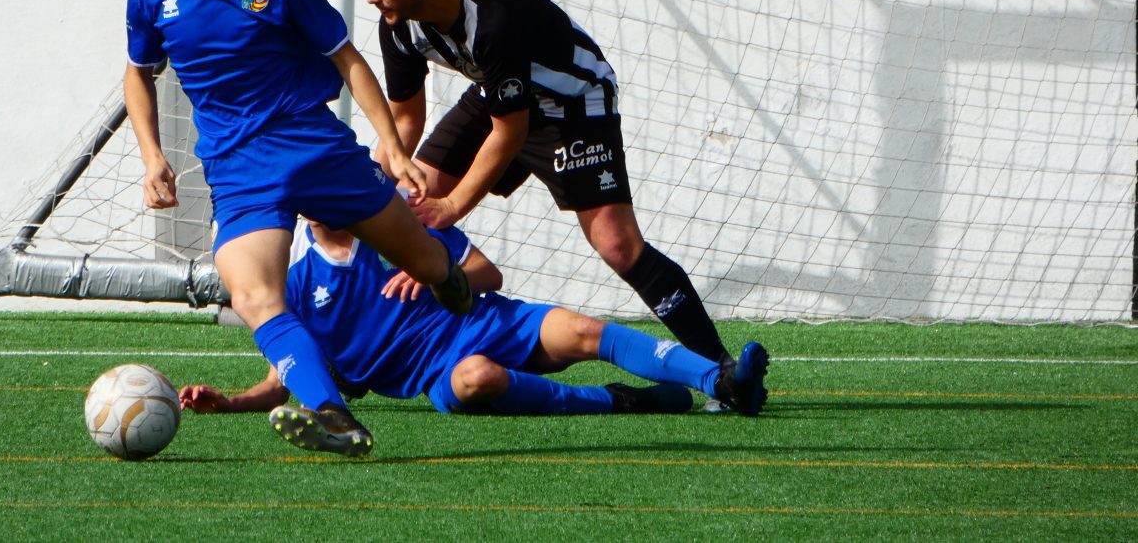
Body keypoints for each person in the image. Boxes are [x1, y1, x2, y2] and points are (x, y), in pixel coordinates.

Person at [122, 0, 471, 458]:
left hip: (315, 148)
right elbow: (137, 73)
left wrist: (391, 146)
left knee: (426, 261)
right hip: (237, 169)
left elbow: (347, 58)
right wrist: (152, 156)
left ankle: (449, 282)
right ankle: (332, 412)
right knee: (254, 296)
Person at [344, 0, 739, 373]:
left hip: (573, 103)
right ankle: (360, 353)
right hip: (499, 96)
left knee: (617, 245)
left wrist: (450, 208)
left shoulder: (492, 20)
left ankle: (721, 368)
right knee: (402, 205)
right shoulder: (399, 22)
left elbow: (509, 133)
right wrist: (368, 187)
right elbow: (406, 118)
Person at [178, 218, 770, 456]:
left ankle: (719, 380)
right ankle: (624, 399)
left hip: (487, 319)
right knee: (476, 379)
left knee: (583, 328)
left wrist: (436, 273)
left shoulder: (402, 223)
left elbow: (488, 271)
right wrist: (231, 402)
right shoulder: (295, 281)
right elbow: (291, 370)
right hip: (440, 375)